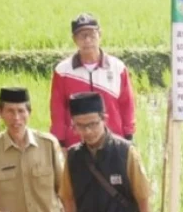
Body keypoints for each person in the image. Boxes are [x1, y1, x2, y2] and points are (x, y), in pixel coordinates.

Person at [50, 13, 136, 148]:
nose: (87, 40)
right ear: (74, 39)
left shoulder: (117, 68)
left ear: (100, 35)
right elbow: (58, 110)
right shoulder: (63, 71)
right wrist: (60, 142)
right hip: (76, 144)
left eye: (92, 34)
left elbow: (127, 104)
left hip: (113, 143)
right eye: (81, 36)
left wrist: (129, 136)